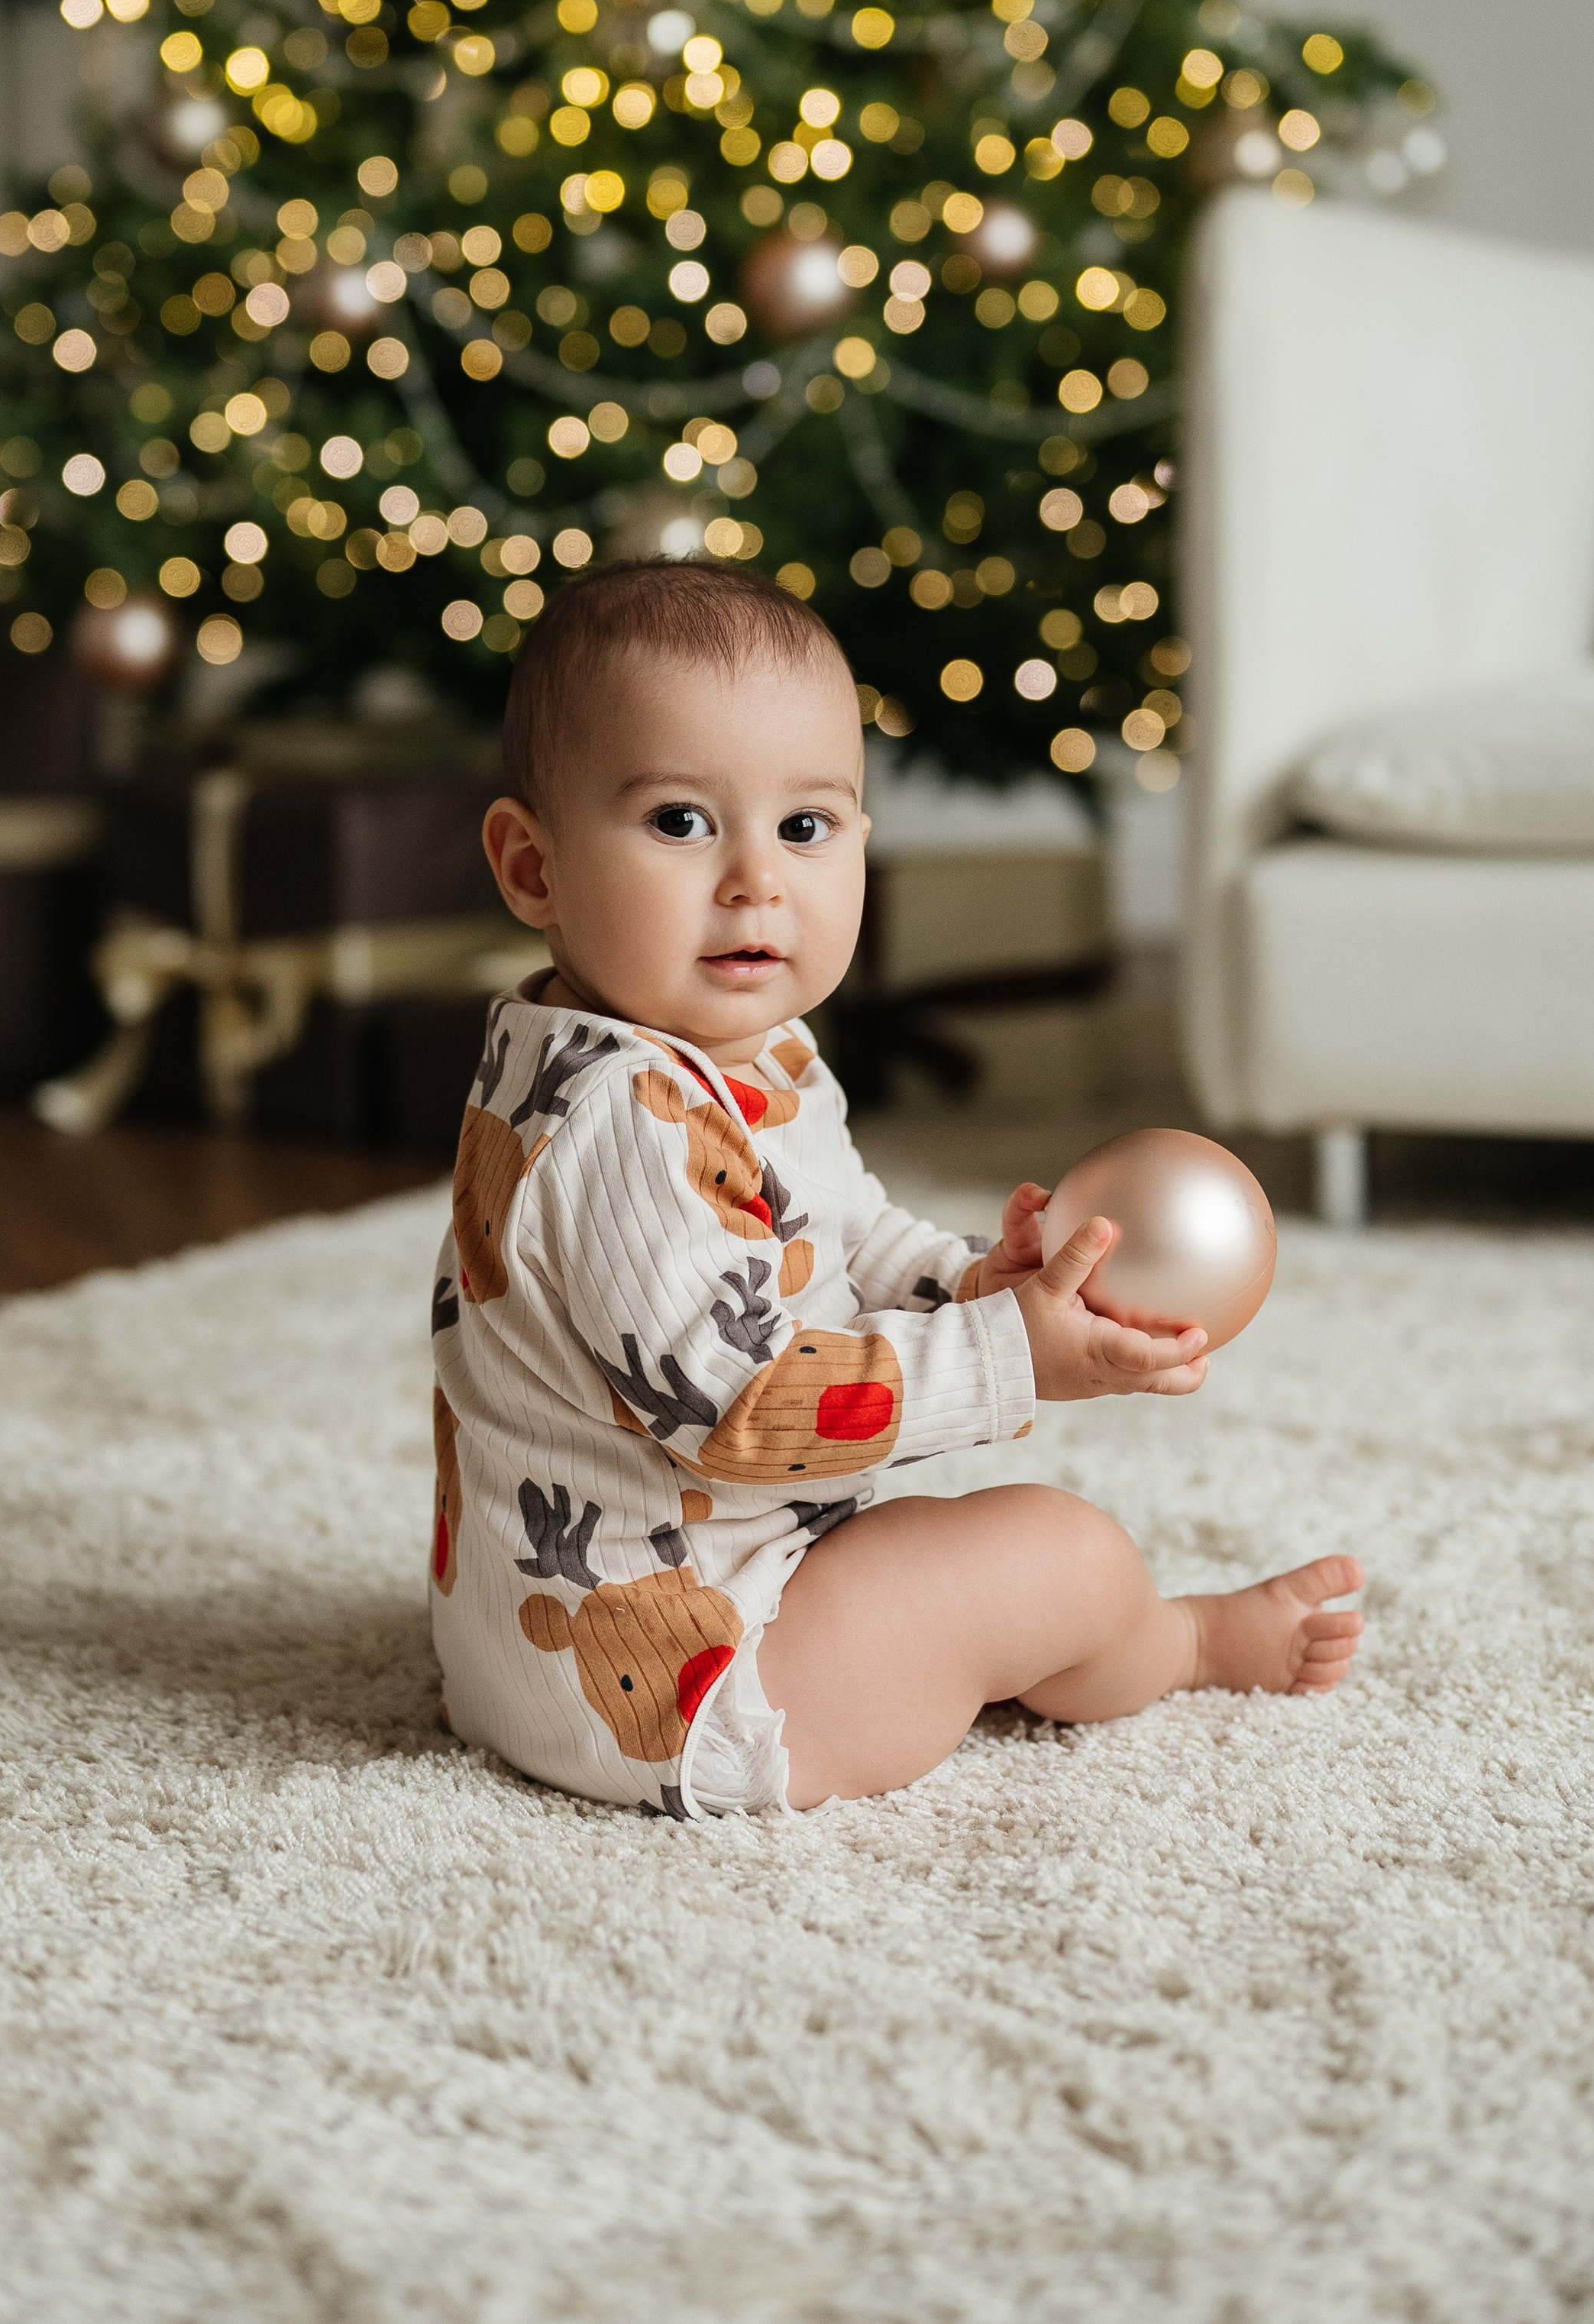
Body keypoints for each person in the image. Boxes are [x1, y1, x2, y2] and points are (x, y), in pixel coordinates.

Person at [429, 561, 1363, 1818]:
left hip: (685, 1594)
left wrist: (984, 1281)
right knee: (1064, 1556)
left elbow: (850, 1238)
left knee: (973, 1559)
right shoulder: (619, 1125)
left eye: (805, 827)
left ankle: (1082, 1635)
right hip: (677, 1684)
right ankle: (1181, 1644)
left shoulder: (743, 1057)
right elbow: (744, 1413)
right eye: (680, 822)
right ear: (533, 868)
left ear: (861, 840)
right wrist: (1008, 1356)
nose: (757, 879)